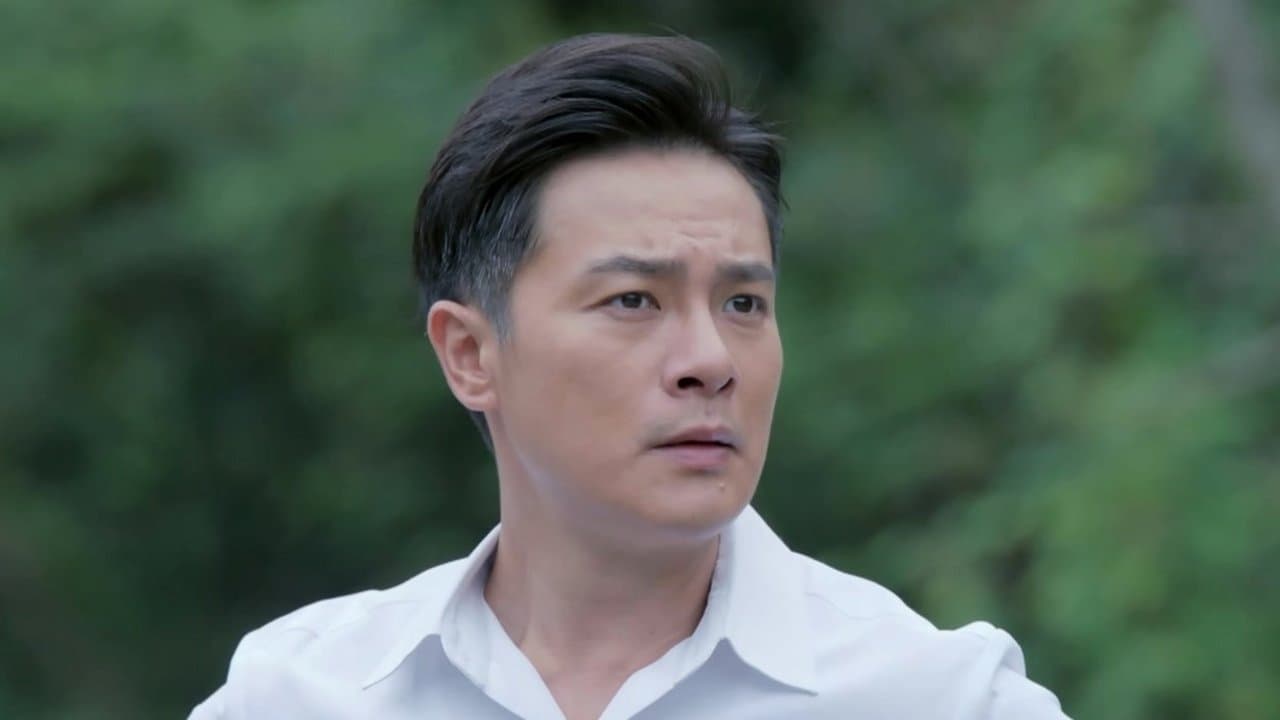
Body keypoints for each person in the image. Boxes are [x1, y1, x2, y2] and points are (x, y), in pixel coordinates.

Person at [189, 33, 1070, 720]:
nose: (710, 362)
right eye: (633, 301)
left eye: (743, 304)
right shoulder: (303, 694)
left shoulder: (939, 696)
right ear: (469, 354)